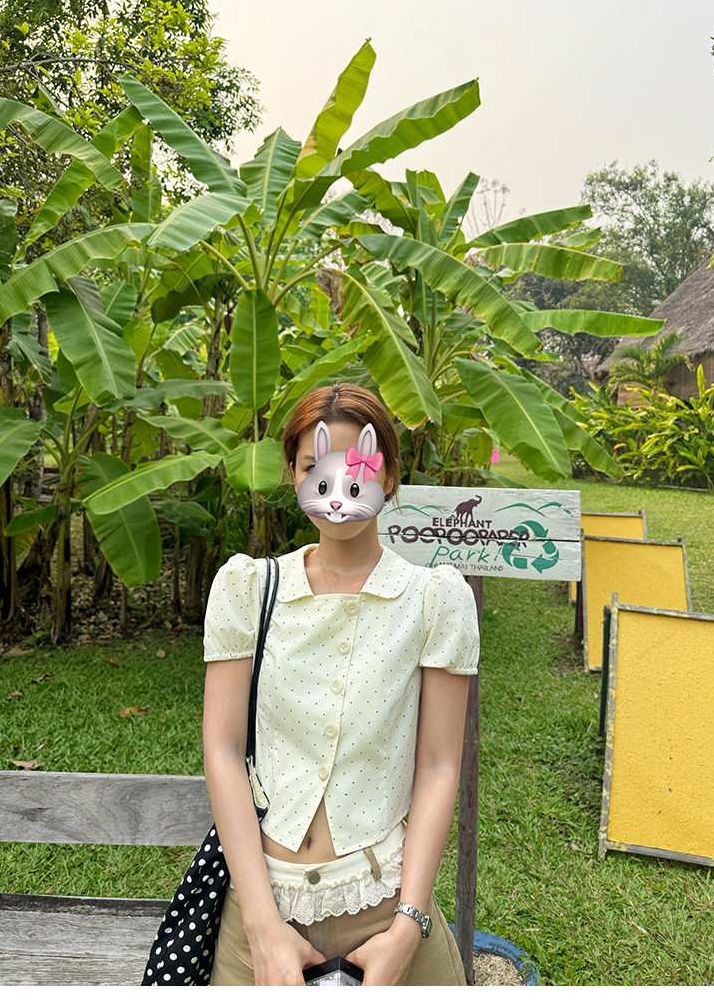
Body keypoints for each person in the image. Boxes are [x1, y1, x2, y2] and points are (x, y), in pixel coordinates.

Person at [202, 383, 480, 986]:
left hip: (387, 912)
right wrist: (260, 927)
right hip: (260, 914)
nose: (337, 495)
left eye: (358, 471)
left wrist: (408, 928)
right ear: (294, 472)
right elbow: (222, 751)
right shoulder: (248, 591)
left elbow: (438, 767)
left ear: (391, 476)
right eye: (313, 470)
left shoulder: (434, 601)